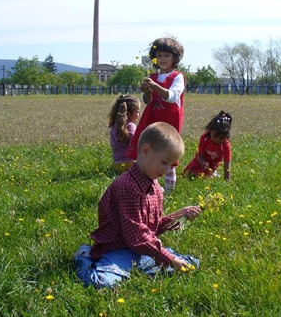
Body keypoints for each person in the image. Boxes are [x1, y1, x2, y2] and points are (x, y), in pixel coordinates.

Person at [74, 122, 202, 289]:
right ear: (146, 150)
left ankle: (136, 268)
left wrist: (178, 215)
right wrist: (169, 258)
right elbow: (136, 237)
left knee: (191, 264)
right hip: (117, 248)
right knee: (103, 285)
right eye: (164, 162)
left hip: (139, 249)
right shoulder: (127, 187)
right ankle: (84, 256)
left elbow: (150, 229)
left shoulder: (155, 187)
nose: (167, 169)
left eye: (171, 165)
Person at [125, 36, 186, 191]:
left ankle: (169, 190)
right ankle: (146, 185)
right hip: (152, 119)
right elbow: (147, 100)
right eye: (159, 56)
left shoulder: (177, 77)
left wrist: (155, 86)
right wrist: (146, 91)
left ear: (174, 57)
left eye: (166, 55)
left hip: (169, 121)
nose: (162, 59)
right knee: (149, 149)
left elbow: (172, 97)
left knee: (167, 150)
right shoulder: (152, 76)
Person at [184, 111, 232, 180]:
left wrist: (227, 180)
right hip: (200, 161)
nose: (217, 140)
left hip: (212, 164)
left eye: (221, 138)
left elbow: (227, 162)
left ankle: (213, 173)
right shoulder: (205, 138)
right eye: (215, 137)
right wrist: (203, 162)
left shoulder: (225, 144)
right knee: (187, 173)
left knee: (202, 176)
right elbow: (200, 155)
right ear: (210, 131)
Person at [108, 94, 141, 172]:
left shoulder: (113, 126)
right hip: (131, 164)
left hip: (117, 165)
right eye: (138, 112)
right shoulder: (131, 126)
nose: (139, 115)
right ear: (129, 114)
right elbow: (137, 145)